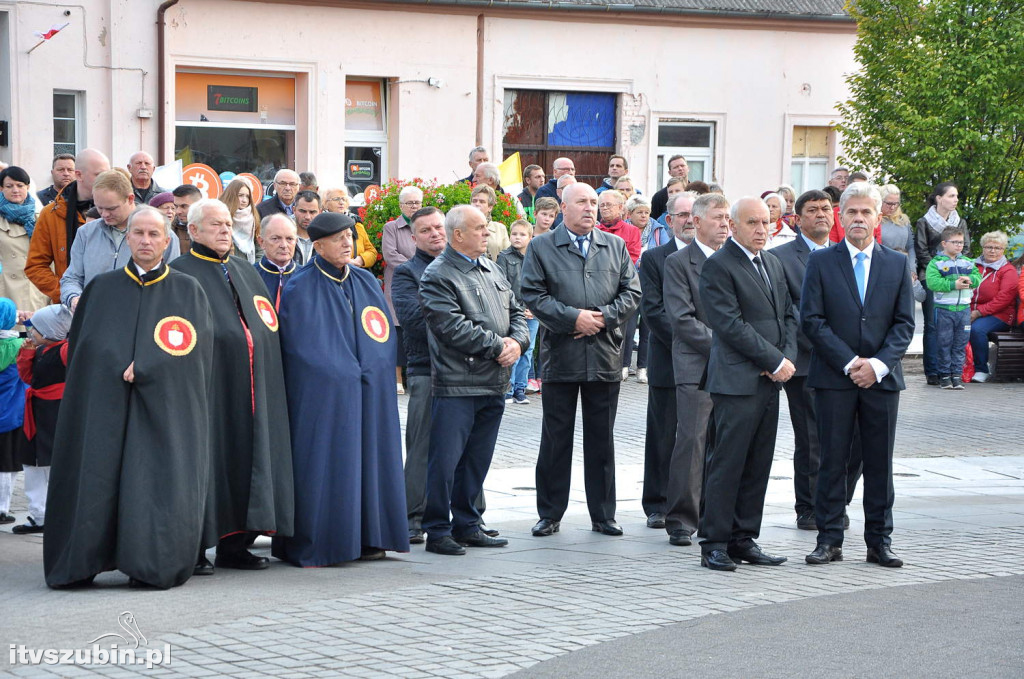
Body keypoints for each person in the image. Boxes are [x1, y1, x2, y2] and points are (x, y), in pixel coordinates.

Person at [44, 207, 215, 589]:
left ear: (168, 241)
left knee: (151, 478)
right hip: (104, 405)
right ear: (127, 238)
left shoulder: (187, 291)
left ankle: (150, 563)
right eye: (138, 233)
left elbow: (197, 355)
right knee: (96, 474)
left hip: (163, 410)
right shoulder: (101, 289)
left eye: (154, 234)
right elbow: (85, 350)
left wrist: (151, 365)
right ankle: (82, 560)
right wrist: (112, 366)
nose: (145, 241)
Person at [272, 212, 408, 565]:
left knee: (372, 458)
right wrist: (343, 370)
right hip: (325, 394)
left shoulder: (364, 280)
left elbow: (381, 333)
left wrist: (374, 368)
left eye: (349, 235)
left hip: (369, 388)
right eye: (338, 238)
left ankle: (371, 535)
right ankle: (326, 540)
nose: (348, 242)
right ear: (317, 245)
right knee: (329, 462)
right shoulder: (300, 286)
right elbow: (303, 344)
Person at [170, 199, 294, 574]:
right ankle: (192, 547)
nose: (225, 230)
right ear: (193, 231)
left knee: (246, 462)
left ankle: (235, 544)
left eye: (227, 224)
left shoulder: (245, 270)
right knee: (208, 464)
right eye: (215, 225)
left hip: (254, 387)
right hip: (210, 388)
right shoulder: (180, 273)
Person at [802, 182, 915, 568]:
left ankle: (879, 542)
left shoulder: (897, 264)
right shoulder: (820, 262)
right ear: (840, 215)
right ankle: (829, 539)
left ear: (878, 217)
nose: (858, 219)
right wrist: (852, 363)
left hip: (882, 381)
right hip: (836, 378)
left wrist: (877, 366)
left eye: (866, 212)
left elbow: (904, 324)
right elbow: (812, 321)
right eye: (851, 212)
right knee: (832, 461)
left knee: (879, 464)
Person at [521, 183, 641, 538]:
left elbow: (632, 292)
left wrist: (601, 317)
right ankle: (550, 513)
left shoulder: (615, 245)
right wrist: (573, 318)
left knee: (601, 439)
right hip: (561, 355)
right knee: (556, 438)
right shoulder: (541, 246)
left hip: (604, 355)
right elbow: (533, 294)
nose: (591, 208)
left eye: (595, 203)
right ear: (563, 207)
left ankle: (603, 515)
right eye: (583, 203)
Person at [418, 205, 529, 555]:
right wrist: (499, 346)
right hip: (457, 383)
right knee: (446, 461)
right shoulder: (438, 274)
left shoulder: (491, 267)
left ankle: (467, 523)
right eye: (479, 227)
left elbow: (517, 311)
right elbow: (451, 327)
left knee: (476, 460)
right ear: (458, 235)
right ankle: (437, 530)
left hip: (493, 381)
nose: (487, 232)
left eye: (487, 227)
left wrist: (517, 341)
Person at [698, 196, 797, 571]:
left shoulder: (772, 261)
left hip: (770, 380)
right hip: (737, 381)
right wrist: (773, 359)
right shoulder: (720, 266)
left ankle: (743, 537)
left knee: (758, 462)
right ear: (733, 226)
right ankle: (715, 542)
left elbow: (788, 315)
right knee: (727, 462)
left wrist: (786, 360)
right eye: (752, 223)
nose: (761, 229)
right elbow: (729, 324)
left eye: (766, 222)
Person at [661, 192, 731, 546]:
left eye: (727, 218)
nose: (724, 224)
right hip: (697, 365)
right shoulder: (678, 262)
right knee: (692, 440)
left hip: (736, 368)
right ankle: (681, 519)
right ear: (697, 222)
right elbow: (682, 319)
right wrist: (729, 344)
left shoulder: (738, 260)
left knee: (728, 444)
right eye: (718, 218)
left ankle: (717, 515)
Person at [771, 189, 839, 530]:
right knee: (810, 438)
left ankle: (833, 503)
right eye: (812, 210)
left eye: (826, 209)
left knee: (843, 437)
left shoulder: (843, 255)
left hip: (842, 361)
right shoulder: (781, 257)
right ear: (798, 219)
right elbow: (787, 311)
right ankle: (809, 507)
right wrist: (826, 340)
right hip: (804, 360)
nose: (821, 215)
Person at [391, 207, 448, 543]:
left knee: (464, 448)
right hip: (426, 369)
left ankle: (470, 515)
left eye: (438, 227)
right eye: (425, 230)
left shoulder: (467, 265)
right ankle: (412, 517)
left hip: (467, 370)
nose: (434, 234)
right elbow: (414, 321)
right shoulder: (407, 273)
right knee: (421, 445)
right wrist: (461, 325)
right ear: (413, 238)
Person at [637, 192, 693, 531]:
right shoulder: (655, 258)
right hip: (669, 361)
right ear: (668, 220)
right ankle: (657, 504)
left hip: (709, 363)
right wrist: (696, 343)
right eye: (681, 214)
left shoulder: (714, 256)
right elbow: (654, 312)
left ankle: (693, 502)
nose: (688, 219)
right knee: (663, 435)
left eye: (693, 213)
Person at [60, 170, 181, 311]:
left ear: (130, 199)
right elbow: (71, 278)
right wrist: (74, 298)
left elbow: (171, 285)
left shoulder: (164, 235)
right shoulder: (86, 233)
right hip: (94, 319)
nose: (104, 214)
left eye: (111, 208)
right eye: (99, 208)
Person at [11, 304, 71, 535]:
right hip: (36, 412)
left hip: (56, 412)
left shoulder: (65, 349)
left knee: (56, 464)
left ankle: (58, 515)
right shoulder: (39, 350)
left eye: (34, 329)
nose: (30, 332)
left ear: (49, 333)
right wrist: (26, 354)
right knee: (34, 466)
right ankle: (39, 515)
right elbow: (29, 378)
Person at [26, 148, 110, 304]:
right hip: (70, 308)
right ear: (79, 175)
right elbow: (35, 265)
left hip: (111, 302)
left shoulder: (119, 211)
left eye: (108, 174)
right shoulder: (51, 214)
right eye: (99, 175)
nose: (106, 180)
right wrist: (66, 293)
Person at [915, 182, 970, 385]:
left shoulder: (960, 222)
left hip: (957, 277)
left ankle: (950, 371)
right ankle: (933, 371)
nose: (955, 200)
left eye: (956, 196)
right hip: (931, 277)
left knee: (954, 327)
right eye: (951, 196)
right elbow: (921, 251)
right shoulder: (924, 222)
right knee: (932, 324)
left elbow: (966, 250)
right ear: (939, 198)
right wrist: (940, 272)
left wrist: (954, 274)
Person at [595, 190, 641, 381]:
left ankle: (618, 368)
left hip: (620, 289)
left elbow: (632, 258)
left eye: (609, 205)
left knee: (621, 334)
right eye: (602, 205)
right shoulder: (595, 230)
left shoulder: (632, 231)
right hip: (597, 289)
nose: (604, 209)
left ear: (621, 208)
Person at [926, 226, 980, 389]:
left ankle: (956, 375)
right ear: (944, 243)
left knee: (960, 344)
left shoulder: (968, 262)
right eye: (955, 242)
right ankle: (944, 376)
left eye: (961, 242)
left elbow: (978, 277)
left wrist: (971, 279)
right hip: (944, 310)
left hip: (963, 310)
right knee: (944, 343)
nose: (959, 246)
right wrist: (953, 284)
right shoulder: (936, 263)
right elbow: (932, 282)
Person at [382, 185, 423, 394]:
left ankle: (414, 377)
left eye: (417, 203)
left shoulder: (425, 226)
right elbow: (390, 255)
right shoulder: (391, 228)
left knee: (418, 329)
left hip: (424, 285)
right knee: (398, 332)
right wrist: (415, 268)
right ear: (400, 206)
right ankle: (397, 378)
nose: (414, 206)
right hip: (399, 283)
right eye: (409, 203)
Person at [497, 219, 538, 405]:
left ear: (530, 237)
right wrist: (521, 309)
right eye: (514, 234)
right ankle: (509, 388)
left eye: (522, 234)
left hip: (532, 312)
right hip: (513, 311)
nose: (517, 238)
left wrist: (534, 308)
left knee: (527, 350)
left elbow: (539, 284)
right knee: (512, 348)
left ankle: (520, 389)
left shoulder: (535, 256)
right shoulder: (504, 257)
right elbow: (503, 286)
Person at [0, 167, 49, 320]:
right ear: (1, 189)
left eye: (20, 185)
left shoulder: (42, 218)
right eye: (9, 186)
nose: (15, 190)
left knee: (36, 337)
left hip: (36, 291)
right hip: (6, 292)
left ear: (28, 187)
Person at [970, 231, 1018, 382]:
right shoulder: (972, 266)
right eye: (989, 247)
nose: (992, 251)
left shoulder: (1008, 270)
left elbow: (1003, 299)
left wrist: (978, 312)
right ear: (982, 248)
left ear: (1003, 250)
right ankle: (950, 368)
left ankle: (981, 370)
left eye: (997, 248)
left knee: (977, 329)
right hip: (970, 311)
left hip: (1000, 315)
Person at [0, 299, 28, 527]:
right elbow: (40, 338)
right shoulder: (20, 346)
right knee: (7, 465)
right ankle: (2, 509)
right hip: (10, 414)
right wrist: (28, 323)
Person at [322, 185, 378, 269]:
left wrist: (361, 260)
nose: (341, 202)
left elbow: (372, 252)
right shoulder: (321, 224)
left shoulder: (356, 223)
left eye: (344, 199)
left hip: (356, 274)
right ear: (326, 203)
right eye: (336, 199)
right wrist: (346, 262)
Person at [254, 213, 298, 309]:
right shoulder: (249, 275)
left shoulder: (306, 276)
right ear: (261, 242)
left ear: (296, 242)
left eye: (289, 239)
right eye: (275, 239)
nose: (284, 245)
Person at [220, 178, 262, 264]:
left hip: (250, 268)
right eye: (240, 195)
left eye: (247, 196)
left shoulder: (253, 216)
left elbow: (260, 246)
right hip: (228, 267)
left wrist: (255, 267)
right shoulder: (220, 216)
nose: (244, 200)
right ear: (231, 195)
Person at [878, 184, 915, 280]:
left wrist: (912, 269)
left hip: (904, 267)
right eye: (889, 204)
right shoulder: (875, 221)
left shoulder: (904, 220)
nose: (893, 207)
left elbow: (911, 247)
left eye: (896, 204)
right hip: (883, 268)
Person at [470, 185, 511, 261]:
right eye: (474, 201)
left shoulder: (500, 228)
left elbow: (508, 257)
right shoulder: (464, 226)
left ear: (490, 207)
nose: (477, 204)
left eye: (482, 202)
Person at [651, 155, 689, 220]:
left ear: (688, 168)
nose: (680, 169)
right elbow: (654, 223)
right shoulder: (659, 197)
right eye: (676, 167)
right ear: (670, 172)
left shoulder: (697, 191)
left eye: (682, 165)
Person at [171, 184, 202, 255]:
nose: (178, 211)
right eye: (175, 206)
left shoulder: (214, 229)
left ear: (198, 205)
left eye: (183, 206)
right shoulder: (167, 230)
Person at [291, 190, 320, 264]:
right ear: (294, 210)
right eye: (302, 211)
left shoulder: (326, 239)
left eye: (312, 212)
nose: (307, 217)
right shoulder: (283, 236)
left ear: (320, 212)